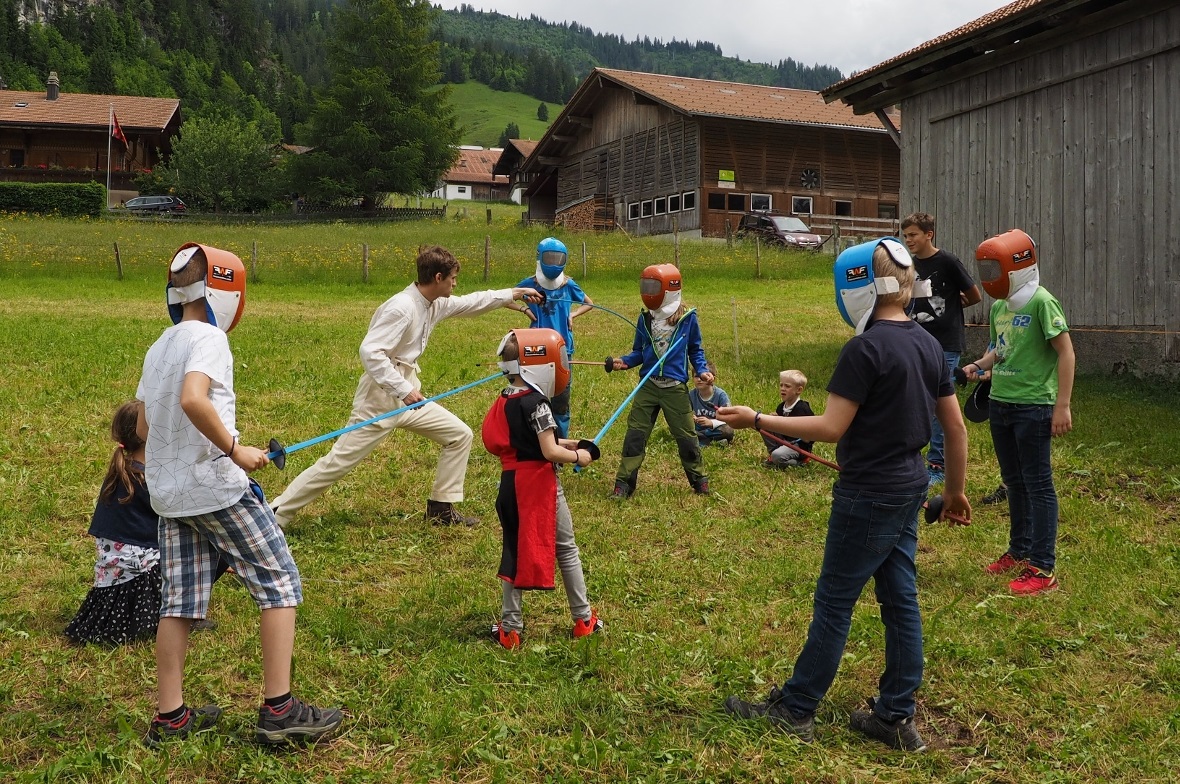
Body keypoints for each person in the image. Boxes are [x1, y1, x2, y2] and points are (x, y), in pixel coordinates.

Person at [718, 237, 971, 751]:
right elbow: (957, 428)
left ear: (855, 285)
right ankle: (896, 717)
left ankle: (796, 707)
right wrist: (955, 492)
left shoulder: (865, 348)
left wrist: (757, 420)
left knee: (835, 601)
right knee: (901, 600)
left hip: (868, 494)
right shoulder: (926, 343)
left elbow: (832, 426)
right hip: (910, 486)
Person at [136, 243, 342, 748]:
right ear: (224, 292)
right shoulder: (209, 337)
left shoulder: (161, 344)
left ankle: (172, 718)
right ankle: (281, 711)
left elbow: (142, 423)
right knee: (280, 582)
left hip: (168, 495)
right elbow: (192, 398)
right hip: (216, 490)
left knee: (179, 602)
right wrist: (234, 448)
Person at [270, 246, 543, 528]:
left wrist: (515, 293)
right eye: (452, 278)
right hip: (381, 398)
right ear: (438, 277)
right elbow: (370, 352)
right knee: (337, 463)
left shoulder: (434, 303)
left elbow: (472, 302)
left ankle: (440, 509)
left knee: (459, 435)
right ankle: (276, 512)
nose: (455, 284)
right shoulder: (402, 307)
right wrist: (403, 390)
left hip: (410, 394)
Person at [964, 228, 1073, 596]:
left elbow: (1066, 353)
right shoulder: (998, 307)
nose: (989, 276)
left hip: (1034, 407)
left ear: (1018, 266)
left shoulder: (1042, 302)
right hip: (1001, 404)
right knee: (1013, 481)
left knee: (1038, 484)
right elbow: (1000, 349)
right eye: (985, 269)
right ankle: (1019, 550)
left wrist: (1062, 405)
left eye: (995, 268)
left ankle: (1043, 568)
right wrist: (975, 366)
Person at [481, 328, 604, 649]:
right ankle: (583, 618)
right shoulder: (538, 403)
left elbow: (528, 442)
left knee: (514, 551)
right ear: (541, 364)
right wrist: (580, 455)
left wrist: (570, 441)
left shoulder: (507, 398)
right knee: (566, 549)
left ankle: (510, 629)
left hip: (510, 484)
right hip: (537, 486)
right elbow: (548, 451)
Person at [66, 401, 225, 646]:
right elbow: (193, 513)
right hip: (143, 576)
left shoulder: (124, 470)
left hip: (116, 576)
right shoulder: (150, 479)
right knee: (217, 542)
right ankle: (183, 613)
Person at [608, 263, 714, 498]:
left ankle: (699, 480)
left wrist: (702, 369)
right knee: (635, 435)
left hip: (674, 387)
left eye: (653, 286)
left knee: (686, 436)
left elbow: (695, 349)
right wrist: (624, 361)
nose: (648, 291)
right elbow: (638, 351)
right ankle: (623, 484)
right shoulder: (645, 318)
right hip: (648, 384)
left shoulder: (687, 319)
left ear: (670, 289)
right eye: (645, 285)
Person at [901, 212, 982, 487]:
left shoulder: (947, 261)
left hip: (945, 344)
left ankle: (938, 465)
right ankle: (913, 456)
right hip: (916, 341)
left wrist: (953, 306)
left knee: (939, 402)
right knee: (915, 398)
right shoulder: (908, 265)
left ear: (928, 234)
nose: (908, 240)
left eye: (913, 234)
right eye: (905, 235)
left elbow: (974, 295)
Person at [515, 237, 595, 438]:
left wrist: (573, 314)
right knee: (535, 398)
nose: (553, 262)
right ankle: (537, 441)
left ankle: (560, 443)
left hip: (563, 349)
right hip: (536, 349)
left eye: (557, 258)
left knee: (561, 400)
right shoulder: (530, 285)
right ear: (539, 258)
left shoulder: (568, 285)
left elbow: (589, 303)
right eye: (549, 258)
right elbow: (508, 297)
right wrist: (524, 309)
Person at [761, 369, 814, 467]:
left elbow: (814, 430)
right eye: (781, 385)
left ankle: (799, 462)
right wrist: (774, 420)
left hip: (799, 446)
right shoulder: (781, 407)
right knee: (764, 423)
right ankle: (773, 453)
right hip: (784, 441)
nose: (782, 388)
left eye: (787, 386)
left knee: (778, 456)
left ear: (799, 390)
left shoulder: (803, 409)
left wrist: (807, 438)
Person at [690, 362, 734, 447]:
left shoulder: (721, 395)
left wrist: (711, 423)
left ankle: (701, 440)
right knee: (677, 427)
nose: (699, 379)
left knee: (728, 430)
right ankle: (713, 442)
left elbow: (729, 418)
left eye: (703, 377)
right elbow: (686, 412)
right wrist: (692, 417)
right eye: (696, 376)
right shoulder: (691, 395)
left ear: (712, 378)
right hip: (697, 427)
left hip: (715, 428)